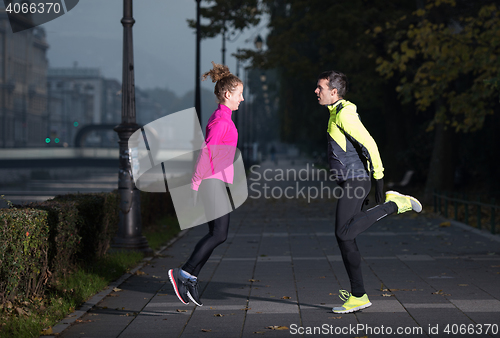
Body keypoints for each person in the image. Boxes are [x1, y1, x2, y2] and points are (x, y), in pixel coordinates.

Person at [314, 70, 422, 313]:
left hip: (357, 180)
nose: (316, 91)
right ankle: (359, 296)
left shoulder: (344, 115)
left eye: (320, 87)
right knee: (346, 238)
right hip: (351, 181)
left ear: (334, 92)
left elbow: (370, 143)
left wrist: (380, 181)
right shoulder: (336, 113)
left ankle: (395, 204)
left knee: (342, 233)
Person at [168, 62, 244, 307]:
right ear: (227, 94)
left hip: (216, 182)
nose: (242, 99)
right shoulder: (221, 121)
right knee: (219, 234)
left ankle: (189, 278)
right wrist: (195, 185)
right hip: (211, 182)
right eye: (240, 94)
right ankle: (184, 273)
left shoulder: (223, 117)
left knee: (218, 234)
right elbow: (206, 153)